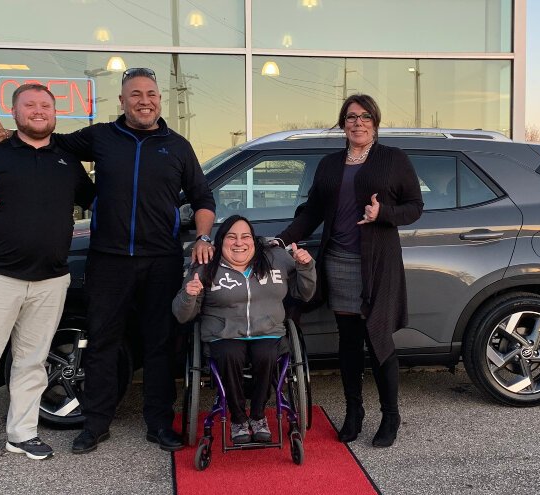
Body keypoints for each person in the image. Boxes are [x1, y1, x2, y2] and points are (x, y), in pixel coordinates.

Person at [0, 67, 215, 454]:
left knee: (161, 344)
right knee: (103, 342)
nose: (145, 100)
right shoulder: (101, 137)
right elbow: (46, 141)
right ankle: (95, 424)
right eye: (135, 94)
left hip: (161, 259)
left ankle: (159, 423)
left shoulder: (177, 146)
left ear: (160, 99)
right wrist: (7, 136)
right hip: (108, 260)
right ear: (122, 101)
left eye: (151, 94)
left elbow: (203, 199)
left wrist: (204, 235)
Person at [0, 84, 95, 471]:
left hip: (51, 280)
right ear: (14, 111)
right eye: (30, 105)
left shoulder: (68, 160)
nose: (38, 111)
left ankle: (22, 434)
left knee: (32, 361)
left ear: (55, 113)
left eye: (45, 105)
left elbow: (97, 201)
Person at [275, 94, 424, 448]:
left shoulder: (393, 160)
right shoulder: (329, 164)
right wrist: (281, 241)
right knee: (349, 341)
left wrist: (382, 214)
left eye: (365, 116)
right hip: (338, 260)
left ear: (375, 122)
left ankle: (391, 416)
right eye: (351, 117)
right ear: (343, 123)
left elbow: (415, 206)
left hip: (377, 263)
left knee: (379, 338)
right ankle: (354, 413)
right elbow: (312, 212)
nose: (358, 122)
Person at [172, 216, 315, 444]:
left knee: (266, 354)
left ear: (254, 240)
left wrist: (305, 266)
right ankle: (238, 418)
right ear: (220, 242)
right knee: (230, 354)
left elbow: (304, 293)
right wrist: (189, 295)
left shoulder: (275, 257)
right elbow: (182, 315)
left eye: (245, 236)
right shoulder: (206, 262)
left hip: (267, 328)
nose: (239, 242)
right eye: (232, 237)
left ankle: (258, 416)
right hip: (223, 331)